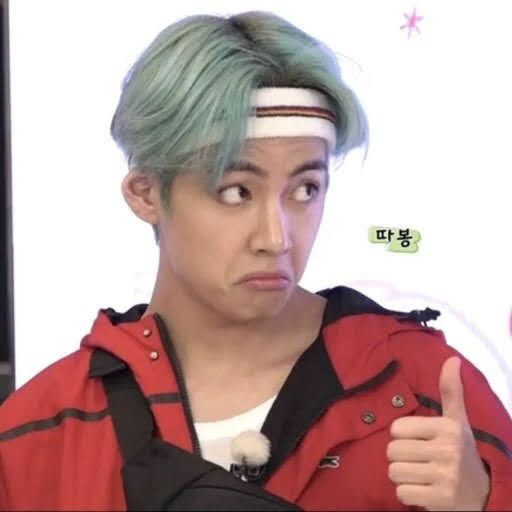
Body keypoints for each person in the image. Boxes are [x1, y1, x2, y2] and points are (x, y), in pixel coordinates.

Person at [0, 10, 511, 511]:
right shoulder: (41, 430)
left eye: (305, 189)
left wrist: (483, 501)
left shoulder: (424, 393)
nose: (276, 238)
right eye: (236, 191)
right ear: (145, 193)